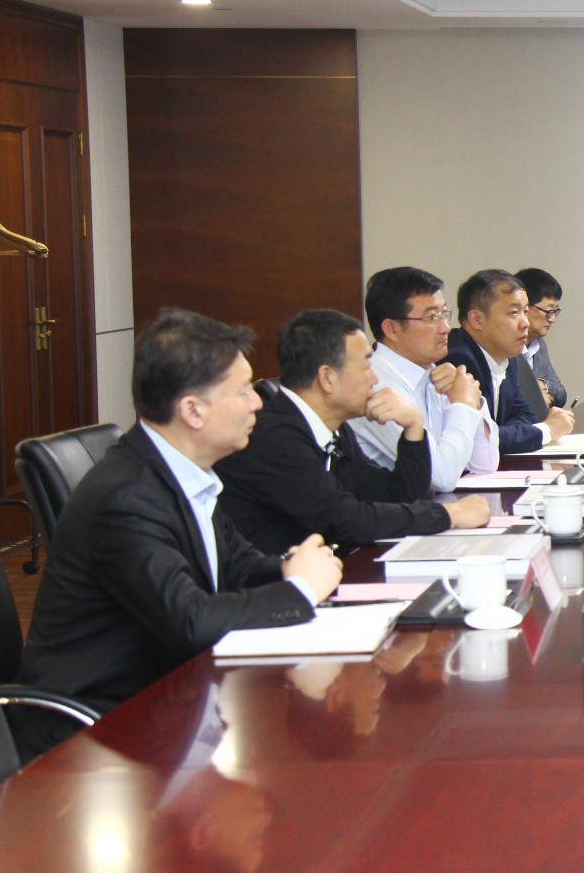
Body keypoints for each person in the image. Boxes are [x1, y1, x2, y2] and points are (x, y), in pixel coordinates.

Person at [17, 309, 344, 742]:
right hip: (101, 728)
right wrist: (300, 590)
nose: (258, 402)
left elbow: (237, 567)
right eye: (243, 391)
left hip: (171, 703)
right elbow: (190, 620)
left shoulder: (184, 473)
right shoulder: (127, 498)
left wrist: (293, 567)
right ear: (193, 410)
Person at [218, 309, 492, 554]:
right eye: (366, 367)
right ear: (327, 378)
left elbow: (396, 496)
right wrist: (448, 514)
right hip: (276, 585)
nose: (375, 378)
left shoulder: (336, 429)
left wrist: (413, 427)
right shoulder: (275, 436)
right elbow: (344, 519)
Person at [353, 266, 499, 491]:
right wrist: (463, 406)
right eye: (432, 317)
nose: (446, 328)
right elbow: (441, 478)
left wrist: (475, 403)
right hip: (392, 509)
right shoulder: (375, 384)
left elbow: (485, 463)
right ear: (392, 329)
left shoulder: (434, 373)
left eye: (444, 314)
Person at [446, 268, 575, 455]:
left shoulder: (508, 357)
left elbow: (526, 415)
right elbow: (478, 440)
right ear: (476, 319)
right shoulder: (457, 360)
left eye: (525, 312)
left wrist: (507, 433)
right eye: (514, 313)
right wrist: (546, 430)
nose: (525, 323)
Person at [516, 266, 569, 409]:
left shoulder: (538, 343)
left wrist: (543, 385)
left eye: (555, 311)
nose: (552, 319)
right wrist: (532, 390)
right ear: (524, 307)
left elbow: (560, 394)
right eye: (548, 311)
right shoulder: (505, 347)